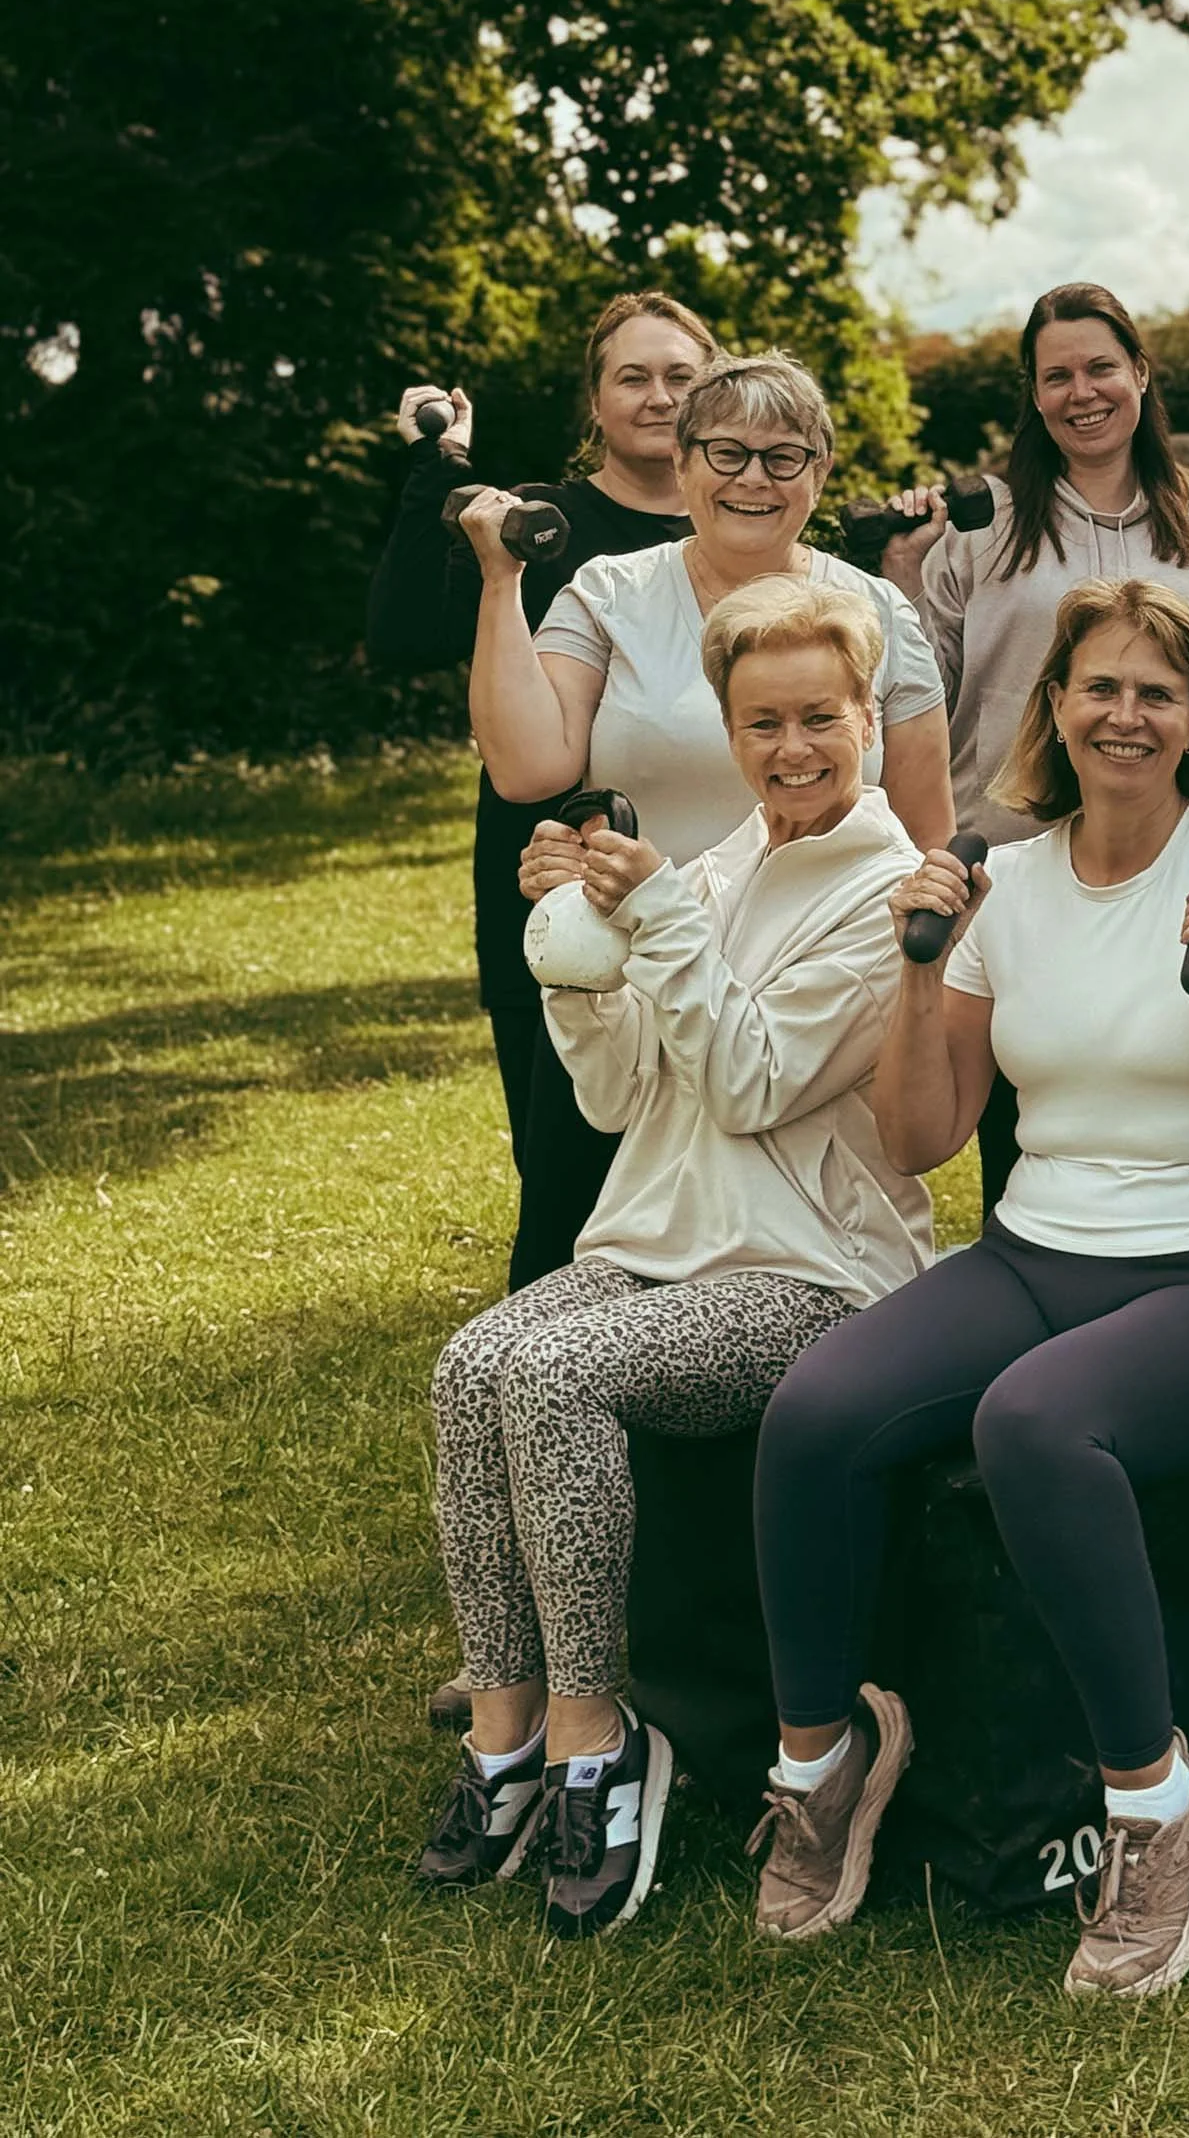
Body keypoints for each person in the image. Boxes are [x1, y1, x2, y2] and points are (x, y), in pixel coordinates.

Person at [748, 580, 1189, 1998]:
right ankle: (822, 1757)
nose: (1124, 713)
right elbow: (920, 1134)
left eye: (1157, 693)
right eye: (1098, 686)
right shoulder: (1009, 883)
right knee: (815, 1407)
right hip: (1037, 1255)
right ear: (1054, 707)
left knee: (1034, 1425)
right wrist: (916, 969)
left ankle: (1159, 1803)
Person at [415, 578, 932, 1940]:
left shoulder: (890, 894)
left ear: (866, 717)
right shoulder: (708, 867)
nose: (792, 746)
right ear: (729, 727)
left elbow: (754, 1078)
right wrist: (577, 964)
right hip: (659, 1238)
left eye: (819, 714)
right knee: (475, 1360)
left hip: (812, 1272)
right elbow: (619, 1092)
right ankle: (505, 1728)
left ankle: (601, 1740)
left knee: (559, 1374)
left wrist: (659, 927)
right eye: (761, 721)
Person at [461, 353, 955, 1290]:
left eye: (784, 456)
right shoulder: (610, 590)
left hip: (811, 991)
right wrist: (498, 584)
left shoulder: (879, 609)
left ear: (822, 471)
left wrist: (915, 1007)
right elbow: (529, 766)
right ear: (681, 465)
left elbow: (927, 836)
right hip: (628, 994)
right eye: (726, 453)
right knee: (568, 1261)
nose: (753, 480)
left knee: (764, 1280)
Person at [873, 282, 1189, 1210]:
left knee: (1155, 1093)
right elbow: (921, 688)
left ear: (1140, 375)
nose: (1082, 392)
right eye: (1057, 377)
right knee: (1023, 1119)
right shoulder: (981, 526)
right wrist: (903, 572)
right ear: (1033, 395)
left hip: (1165, 868)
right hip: (1013, 863)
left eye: (1100, 369)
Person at [364, 292, 715, 1170]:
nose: (658, 396)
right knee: (571, 1177)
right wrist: (436, 468)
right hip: (550, 887)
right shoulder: (532, 526)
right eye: (631, 377)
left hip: (713, 888)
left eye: (681, 376)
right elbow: (402, 637)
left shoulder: (755, 531)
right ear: (595, 403)